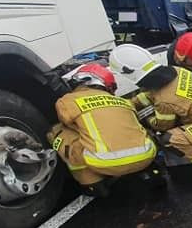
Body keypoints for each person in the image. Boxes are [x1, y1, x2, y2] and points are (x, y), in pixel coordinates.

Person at [109, 44, 192, 181]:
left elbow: (162, 126)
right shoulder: (176, 71)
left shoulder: (165, 101)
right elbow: (150, 94)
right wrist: (129, 104)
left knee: (169, 139)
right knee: (186, 125)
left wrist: (147, 120)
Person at [47, 63, 157, 197]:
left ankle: (92, 183)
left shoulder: (68, 100)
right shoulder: (122, 101)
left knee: (58, 131)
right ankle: (152, 172)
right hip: (146, 156)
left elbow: (66, 120)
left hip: (104, 162)